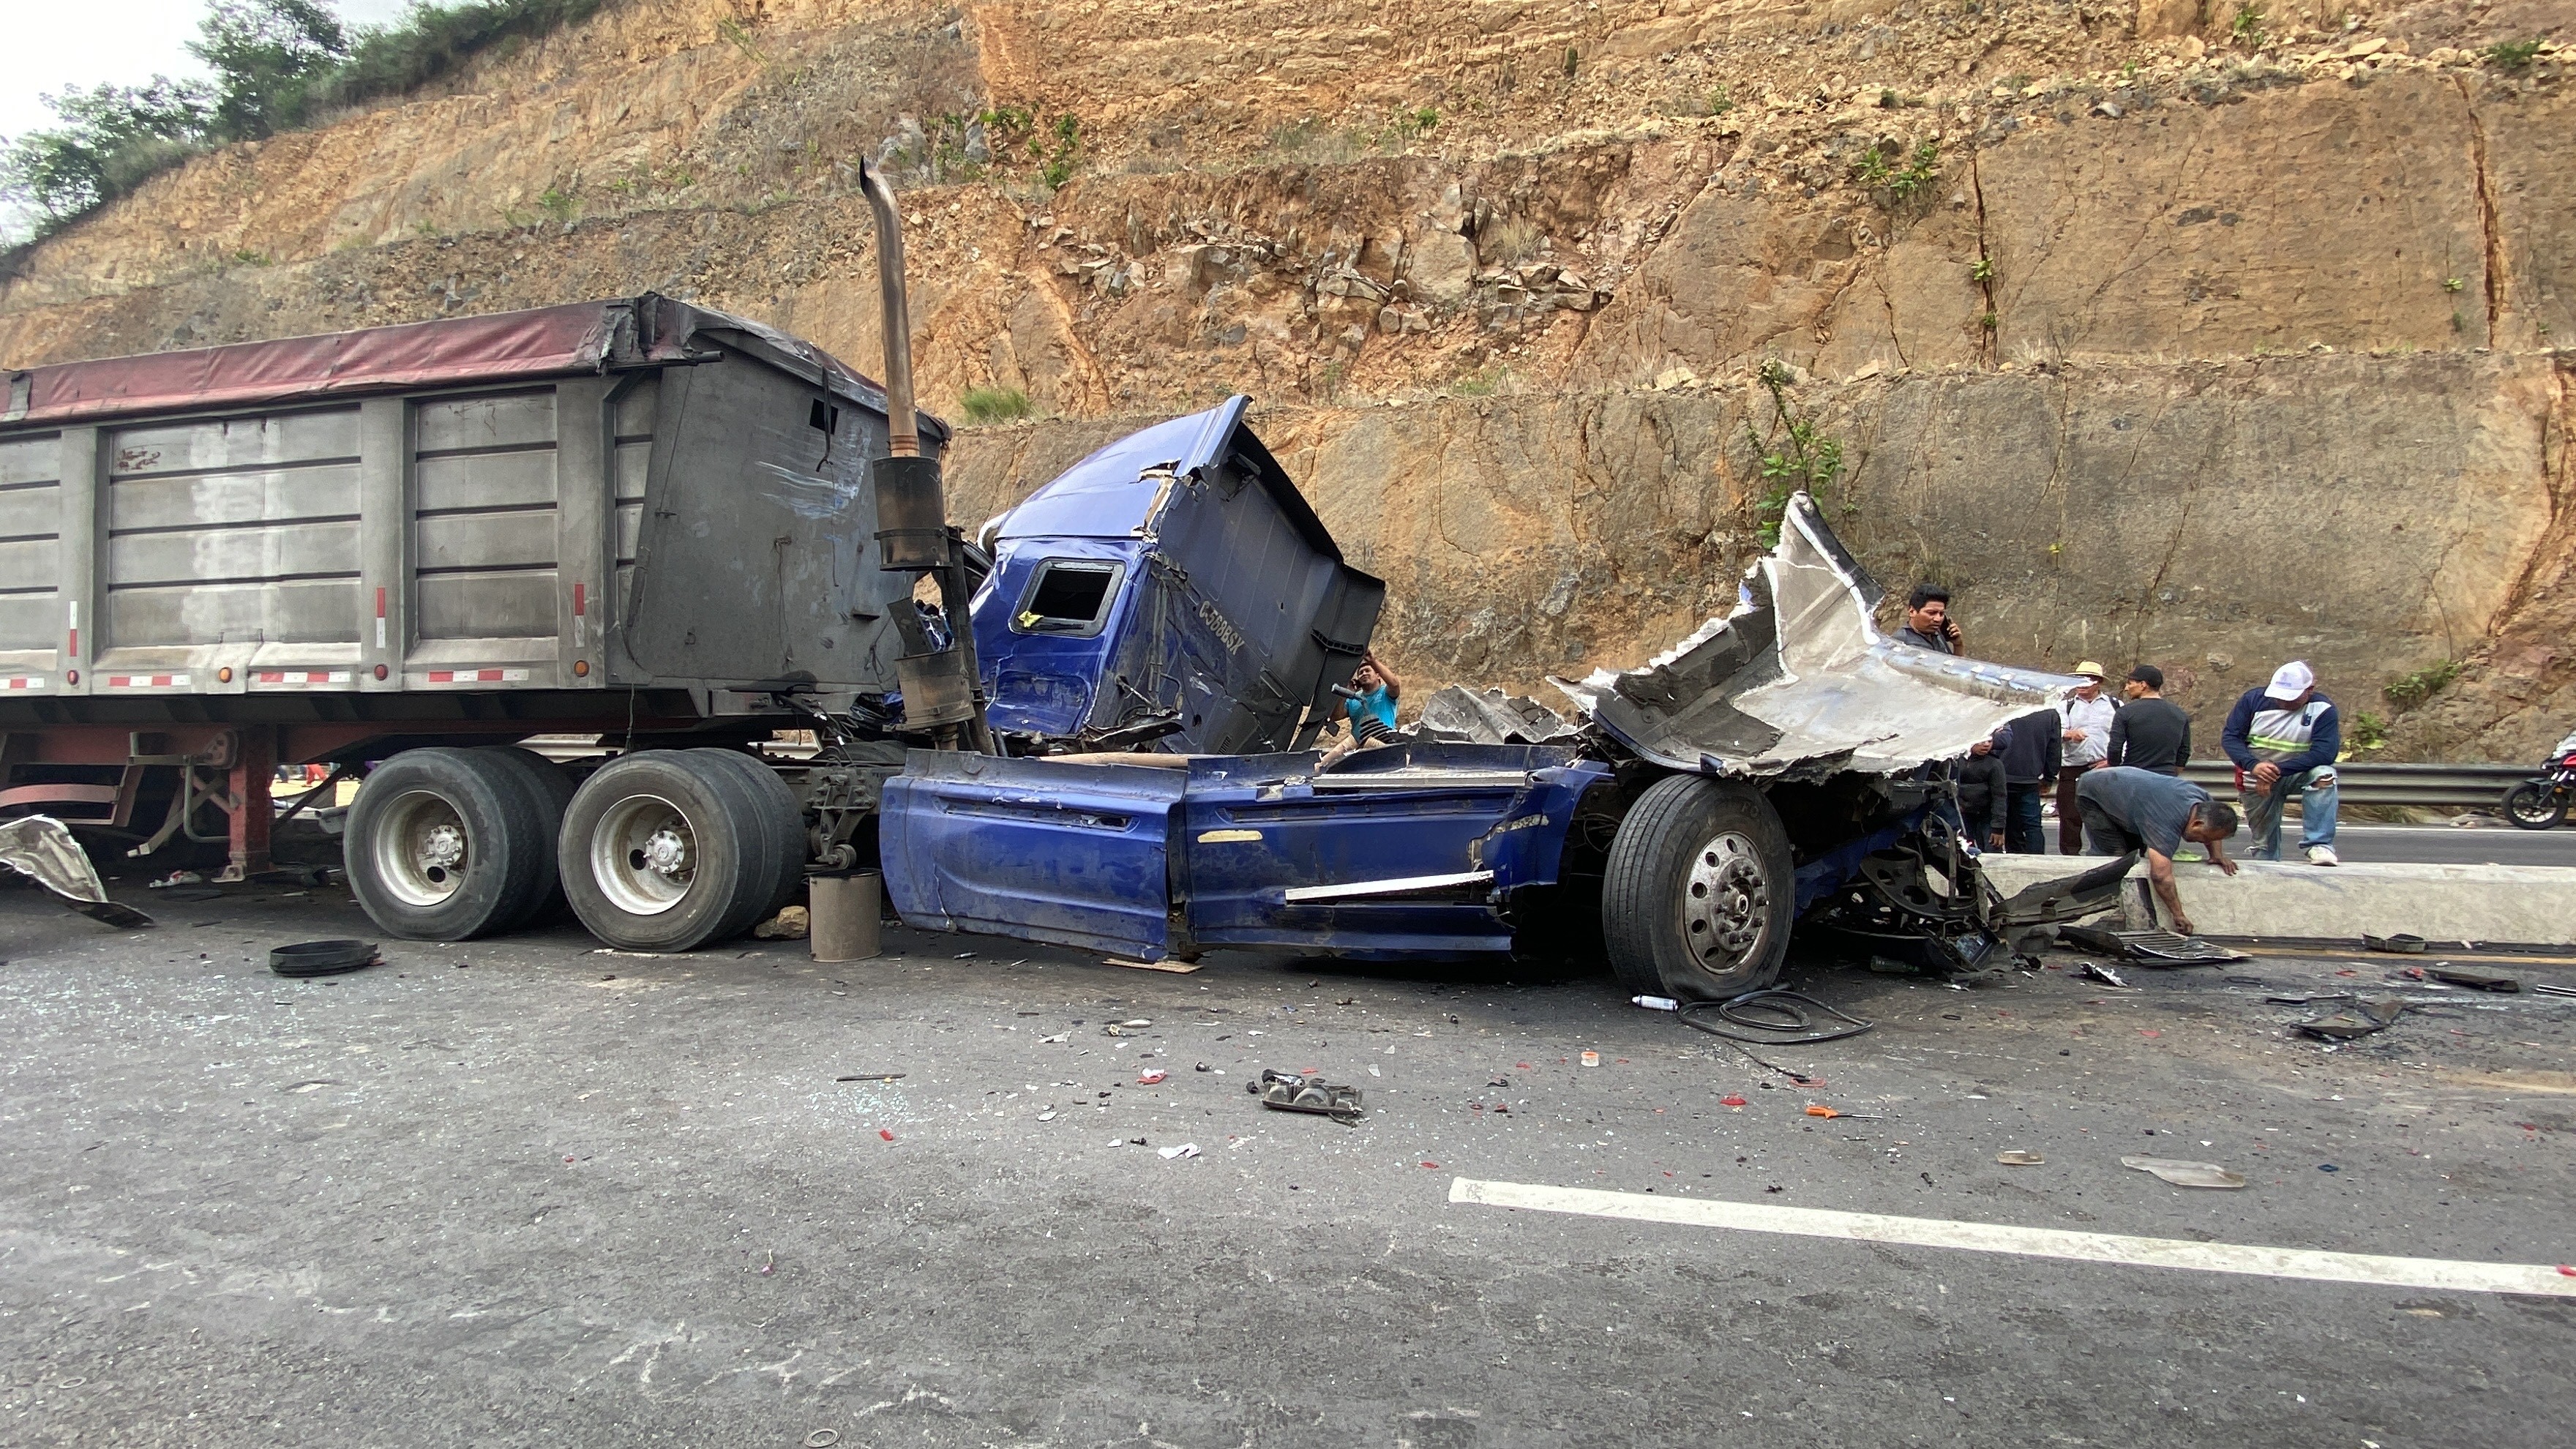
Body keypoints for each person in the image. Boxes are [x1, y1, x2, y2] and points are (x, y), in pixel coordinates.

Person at [2075, 765, 2242, 936]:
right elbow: (2160, 875)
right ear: (2197, 824)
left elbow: (2214, 827)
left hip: (2128, 787)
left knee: (2134, 852)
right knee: (2114, 856)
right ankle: (2094, 910)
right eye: (2205, 838)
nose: (2205, 842)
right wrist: (2178, 915)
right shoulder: (2165, 820)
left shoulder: (2204, 801)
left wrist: (2216, 855)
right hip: (2094, 791)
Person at [2221, 661, 2341, 866]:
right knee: (2264, 846)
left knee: (2324, 775)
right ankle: (2266, 862)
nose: (2283, 702)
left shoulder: (2323, 709)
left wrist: (2277, 770)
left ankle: (2319, 844)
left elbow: (2325, 753)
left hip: (2295, 772)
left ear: (2309, 690)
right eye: (2279, 696)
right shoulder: (2252, 701)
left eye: (2290, 698)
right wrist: (2254, 765)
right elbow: (2231, 738)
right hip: (2255, 774)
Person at [2056, 661, 2116, 853]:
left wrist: (2113, 761)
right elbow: (2056, 732)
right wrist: (2069, 735)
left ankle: (2105, 853)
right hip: (2072, 766)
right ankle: (2070, 856)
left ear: (2098, 682)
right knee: (2069, 815)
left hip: (2103, 767)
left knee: (2105, 814)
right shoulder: (2065, 706)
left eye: (2087, 679)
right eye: (2078, 679)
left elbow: (2123, 738)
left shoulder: (2115, 705)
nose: (2082, 684)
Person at [1995, 705, 2060, 852]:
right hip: (2030, 775)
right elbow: (2054, 749)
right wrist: (2049, 777)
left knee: (1997, 823)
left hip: (1999, 774)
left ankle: (2000, 857)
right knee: (2032, 825)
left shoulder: (2002, 707)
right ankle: (2035, 860)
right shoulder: (2049, 713)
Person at [2108, 664, 2192, 775]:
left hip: (2134, 777)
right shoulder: (2179, 714)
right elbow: (2184, 751)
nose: (2126, 688)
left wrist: (2116, 772)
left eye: (2130, 683)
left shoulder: (2125, 712)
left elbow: (2115, 748)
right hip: (2166, 778)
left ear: (2143, 685)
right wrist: (2172, 775)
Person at [1952, 727, 2010, 852]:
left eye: (1989, 741)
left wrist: (1998, 828)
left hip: (1987, 816)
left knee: (1992, 850)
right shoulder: (1956, 761)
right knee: (1963, 852)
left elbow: (2000, 797)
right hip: (1963, 814)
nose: (1986, 745)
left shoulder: (1994, 764)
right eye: (1982, 741)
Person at [1343, 651, 1401, 743]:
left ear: (1378, 676)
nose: (1364, 674)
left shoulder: (1385, 692)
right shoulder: (1353, 698)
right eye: (1361, 673)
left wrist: (1373, 661)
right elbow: (1337, 716)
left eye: (1368, 671)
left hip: (1385, 745)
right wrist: (1345, 691)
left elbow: (1395, 685)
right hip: (1360, 748)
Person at [1897, 584, 1961, 654]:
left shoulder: (1937, 634)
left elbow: (1954, 663)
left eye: (1941, 614)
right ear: (1912, 612)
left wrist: (1958, 645)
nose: (1938, 619)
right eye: (1931, 613)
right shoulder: (1900, 642)